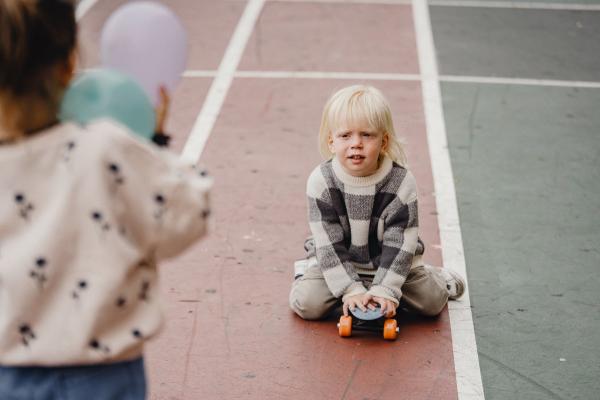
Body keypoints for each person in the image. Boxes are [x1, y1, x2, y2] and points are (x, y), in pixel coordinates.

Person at [0, 1, 211, 398]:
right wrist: (151, 144)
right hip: (104, 378)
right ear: (68, 64)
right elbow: (188, 216)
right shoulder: (108, 150)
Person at [289, 85, 465, 321]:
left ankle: (439, 278)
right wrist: (350, 290)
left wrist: (386, 290)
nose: (356, 143)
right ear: (331, 141)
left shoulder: (401, 182)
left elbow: (400, 241)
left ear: (383, 142)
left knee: (431, 302)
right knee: (308, 304)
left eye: (367, 135)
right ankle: (308, 269)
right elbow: (328, 242)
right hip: (341, 257)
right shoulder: (321, 181)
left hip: (391, 257)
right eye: (345, 135)